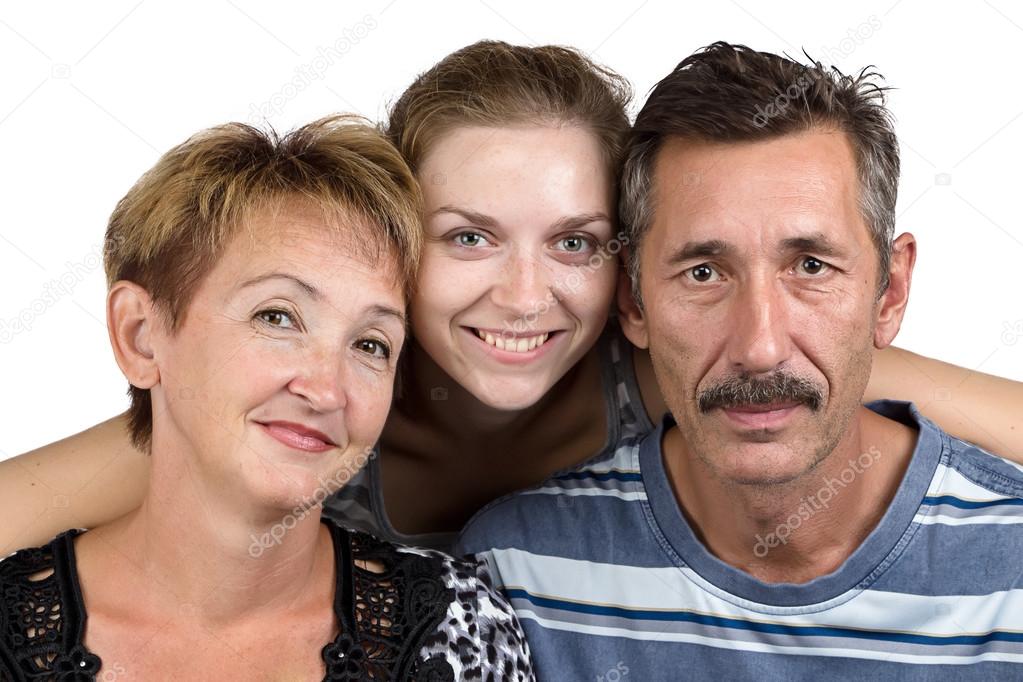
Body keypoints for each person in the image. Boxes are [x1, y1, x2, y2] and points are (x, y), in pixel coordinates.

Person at [2, 42, 1023, 558]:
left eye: (573, 242)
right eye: (469, 237)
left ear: (627, 272)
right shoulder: (305, 396)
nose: (525, 296)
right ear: (396, 245)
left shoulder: (683, 368)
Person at [456, 42, 1023, 680]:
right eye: (704, 272)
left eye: (811, 267)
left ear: (889, 292)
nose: (760, 348)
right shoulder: (514, 573)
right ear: (633, 303)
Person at [0, 116, 533, 680]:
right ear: (140, 334)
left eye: (371, 344)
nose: (328, 390)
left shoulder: (460, 625)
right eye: (277, 317)